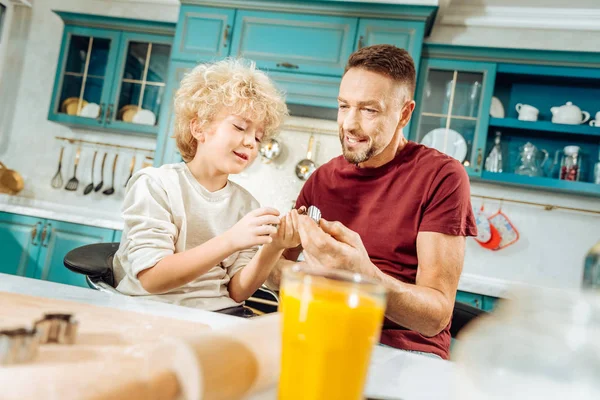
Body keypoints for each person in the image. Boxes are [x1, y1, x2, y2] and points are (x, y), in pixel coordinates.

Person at [268, 45, 477, 360]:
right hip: (323, 337)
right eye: (343, 106)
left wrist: (362, 275)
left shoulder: (442, 176)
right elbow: (270, 271)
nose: (349, 124)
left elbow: (435, 317)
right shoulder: (321, 179)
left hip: (402, 350)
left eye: (369, 110)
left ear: (404, 113)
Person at [113, 58, 299, 312]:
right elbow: (152, 279)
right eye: (240, 127)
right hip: (150, 311)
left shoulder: (246, 205)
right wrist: (231, 239)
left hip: (219, 315)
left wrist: (274, 247)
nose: (251, 143)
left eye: (258, 136)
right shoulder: (156, 185)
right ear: (199, 128)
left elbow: (237, 292)